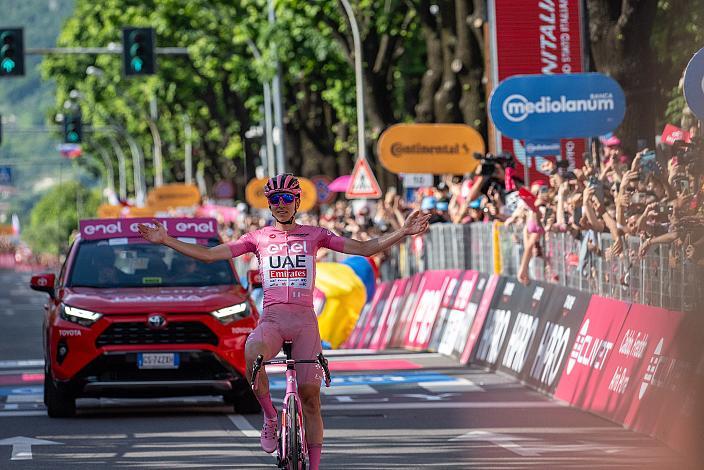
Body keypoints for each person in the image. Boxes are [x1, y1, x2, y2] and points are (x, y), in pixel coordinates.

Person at [137, 173, 430, 470]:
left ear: (297, 201)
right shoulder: (257, 238)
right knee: (252, 353)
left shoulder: (316, 235)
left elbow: (364, 248)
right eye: (274, 199)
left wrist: (402, 232)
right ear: (268, 204)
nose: (280, 204)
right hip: (273, 320)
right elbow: (211, 255)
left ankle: (313, 466)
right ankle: (270, 416)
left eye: (286, 198)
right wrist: (166, 240)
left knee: (310, 399)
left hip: (304, 322)